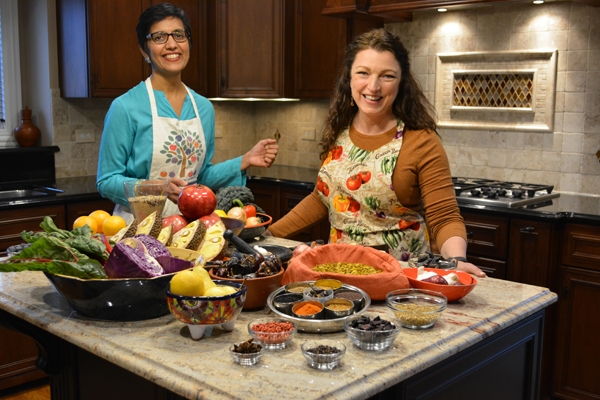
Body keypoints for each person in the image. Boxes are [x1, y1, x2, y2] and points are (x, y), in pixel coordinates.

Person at [267, 28, 485, 277]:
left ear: (401, 82)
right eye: (363, 73)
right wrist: (269, 234)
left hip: (399, 278)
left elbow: (443, 214)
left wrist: (455, 259)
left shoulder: (421, 141)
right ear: (348, 78)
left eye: (387, 76)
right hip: (339, 273)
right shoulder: (339, 130)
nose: (373, 86)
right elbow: (322, 197)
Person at [96, 3, 278, 223]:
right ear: (144, 49)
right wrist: (157, 188)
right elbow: (106, 181)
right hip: (138, 228)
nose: (172, 45)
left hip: (190, 227)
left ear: (188, 43)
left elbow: (201, 177)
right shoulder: (125, 107)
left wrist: (245, 160)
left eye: (179, 35)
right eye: (159, 37)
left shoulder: (203, 107)